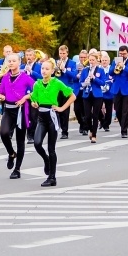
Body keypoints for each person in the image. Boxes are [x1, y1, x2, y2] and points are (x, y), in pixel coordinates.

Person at [30, 59, 76, 187]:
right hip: (41, 117)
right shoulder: (37, 84)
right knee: (37, 143)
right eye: (42, 68)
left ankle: (52, 177)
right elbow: (34, 98)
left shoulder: (57, 83)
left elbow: (72, 96)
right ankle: (46, 160)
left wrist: (61, 108)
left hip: (52, 116)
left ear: (52, 71)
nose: (44, 71)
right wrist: (34, 103)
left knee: (51, 148)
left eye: (47, 69)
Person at [0, 53, 34, 179]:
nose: (11, 63)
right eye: (9, 61)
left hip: (21, 110)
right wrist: (1, 96)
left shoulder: (25, 77)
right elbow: (0, 91)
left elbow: (36, 90)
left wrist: (25, 97)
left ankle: (17, 169)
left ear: (19, 62)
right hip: (8, 109)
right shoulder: (5, 77)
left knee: (20, 140)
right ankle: (11, 153)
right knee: (3, 133)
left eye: (14, 61)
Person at [109, 45, 128, 139]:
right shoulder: (115, 60)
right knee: (118, 110)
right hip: (117, 88)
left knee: (126, 110)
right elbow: (110, 72)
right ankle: (123, 125)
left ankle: (124, 131)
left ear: (127, 53)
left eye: (124, 53)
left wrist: (123, 67)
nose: (122, 55)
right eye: (120, 53)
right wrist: (115, 67)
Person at [79, 51, 107, 144]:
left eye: (93, 60)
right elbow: (80, 82)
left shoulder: (100, 70)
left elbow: (103, 83)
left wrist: (94, 78)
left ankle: (94, 135)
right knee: (87, 116)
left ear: (97, 61)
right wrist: (85, 83)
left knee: (95, 115)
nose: (91, 62)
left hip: (97, 95)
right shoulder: (85, 70)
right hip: (86, 94)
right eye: (90, 60)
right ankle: (91, 130)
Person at [54, 45, 76, 139]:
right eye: (60, 53)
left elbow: (74, 76)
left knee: (65, 111)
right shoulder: (56, 62)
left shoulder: (72, 63)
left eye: (64, 53)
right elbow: (52, 75)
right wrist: (55, 69)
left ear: (67, 53)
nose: (62, 55)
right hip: (57, 89)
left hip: (67, 89)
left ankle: (65, 131)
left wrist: (64, 69)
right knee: (56, 110)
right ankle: (57, 127)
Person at [22, 49, 42, 143]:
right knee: (26, 115)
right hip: (25, 94)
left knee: (34, 115)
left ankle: (33, 134)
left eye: (30, 55)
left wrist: (32, 72)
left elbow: (41, 77)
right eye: (27, 55)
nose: (29, 57)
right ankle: (29, 135)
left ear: (34, 56)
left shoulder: (39, 66)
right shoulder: (22, 66)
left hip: (35, 93)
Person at [73, 49, 89, 135]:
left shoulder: (90, 66)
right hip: (77, 89)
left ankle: (85, 127)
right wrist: (78, 74)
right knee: (77, 110)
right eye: (81, 57)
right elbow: (73, 77)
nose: (82, 59)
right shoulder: (76, 65)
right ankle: (81, 123)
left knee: (85, 109)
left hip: (86, 89)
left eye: (84, 57)